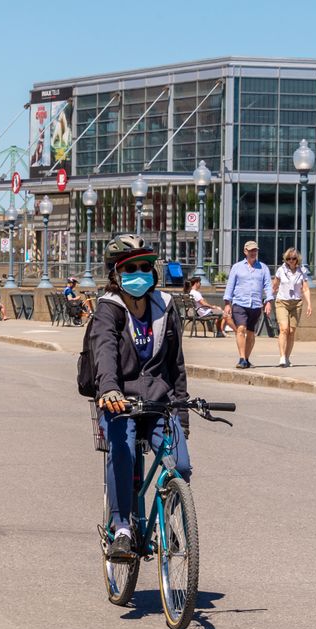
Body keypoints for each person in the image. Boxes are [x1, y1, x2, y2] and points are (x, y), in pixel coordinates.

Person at [90, 234, 190, 562]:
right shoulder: (109, 308)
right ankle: (121, 528)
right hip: (120, 401)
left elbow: (176, 363)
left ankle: (165, 518)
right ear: (116, 273)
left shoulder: (165, 305)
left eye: (145, 267)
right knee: (122, 453)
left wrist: (182, 411)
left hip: (160, 402)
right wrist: (109, 389)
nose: (140, 273)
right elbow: (105, 350)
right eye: (131, 268)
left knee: (181, 465)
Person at [223, 241, 273, 369]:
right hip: (239, 303)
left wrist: (268, 301)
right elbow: (230, 285)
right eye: (251, 250)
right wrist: (227, 303)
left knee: (251, 333)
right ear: (245, 251)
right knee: (241, 329)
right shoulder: (237, 267)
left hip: (255, 305)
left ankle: (246, 359)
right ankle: (241, 358)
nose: (253, 253)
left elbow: (268, 286)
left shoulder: (263, 268)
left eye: (255, 250)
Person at [272, 248, 313, 368]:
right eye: (288, 258)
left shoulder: (302, 271)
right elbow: (274, 286)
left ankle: (287, 357)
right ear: (286, 259)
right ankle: (282, 357)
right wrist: (267, 300)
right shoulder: (281, 270)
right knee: (284, 329)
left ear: (297, 259)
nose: (291, 260)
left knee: (291, 331)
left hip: (296, 303)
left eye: (293, 258)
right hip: (282, 302)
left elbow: (305, 289)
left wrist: (309, 304)